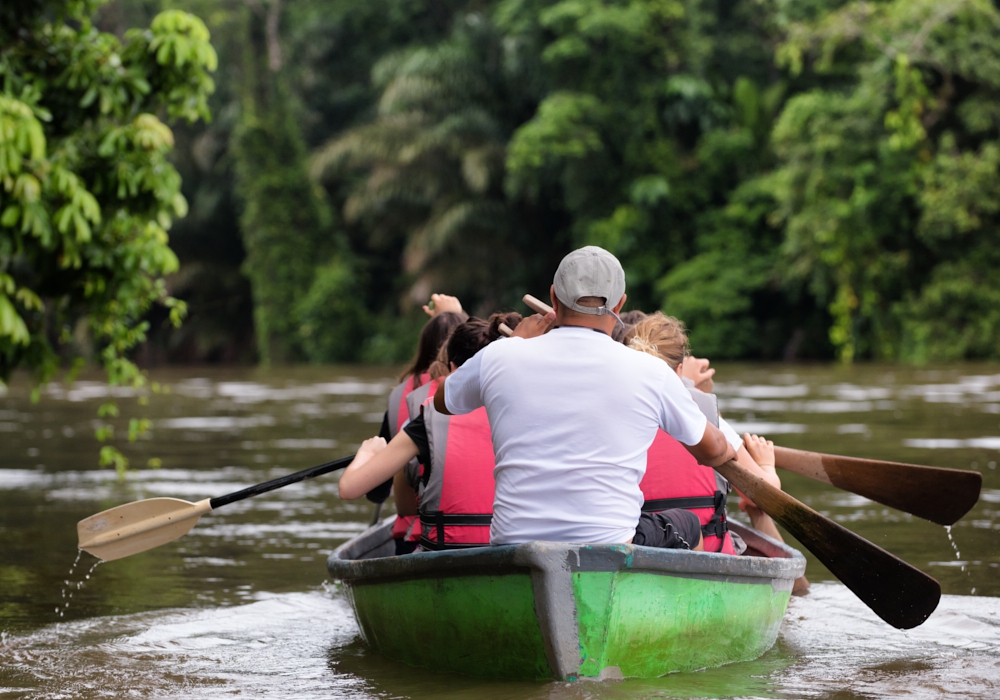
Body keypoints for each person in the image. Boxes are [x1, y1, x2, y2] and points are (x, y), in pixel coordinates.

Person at [434, 246, 737, 550]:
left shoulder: (500, 355)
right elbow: (712, 451)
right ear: (619, 305)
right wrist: (728, 450)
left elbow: (442, 401)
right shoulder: (652, 371)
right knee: (688, 525)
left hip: (513, 546)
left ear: (553, 298)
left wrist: (515, 343)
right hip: (610, 546)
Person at [338, 313, 521, 551]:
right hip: (510, 549)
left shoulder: (427, 420)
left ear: (452, 367)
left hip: (445, 552)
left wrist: (367, 453)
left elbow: (349, 489)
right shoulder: (522, 412)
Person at [625, 312, 780, 554]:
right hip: (710, 551)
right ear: (679, 370)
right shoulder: (707, 414)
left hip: (643, 550)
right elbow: (766, 496)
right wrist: (767, 465)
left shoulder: (618, 415)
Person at [370, 294, 466, 551]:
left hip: (416, 533)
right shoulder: (483, 390)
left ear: (424, 347)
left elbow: (376, 491)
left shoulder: (401, 395)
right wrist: (458, 316)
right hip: (476, 530)